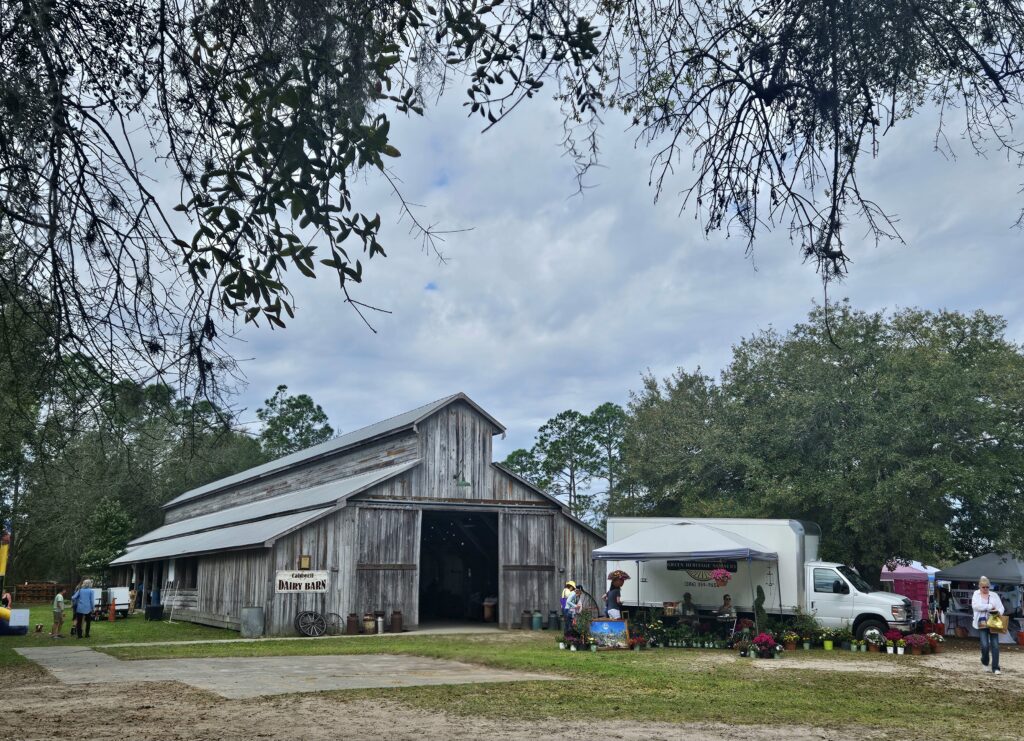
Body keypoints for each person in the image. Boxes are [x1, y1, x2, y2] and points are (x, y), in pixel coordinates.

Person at [971, 576, 1004, 675]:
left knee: (995, 645)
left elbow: (1001, 607)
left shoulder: (994, 595)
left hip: (993, 622)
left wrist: (997, 612)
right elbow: (976, 606)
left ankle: (995, 668)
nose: (985, 589)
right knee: (984, 645)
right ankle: (985, 661)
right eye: (983, 587)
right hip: (981, 622)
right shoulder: (976, 594)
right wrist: (989, 607)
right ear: (979, 586)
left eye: (987, 587)